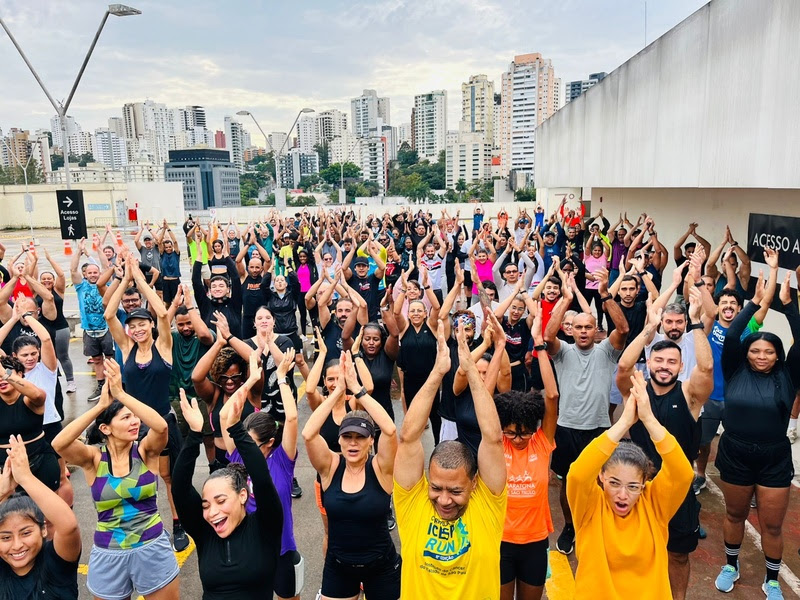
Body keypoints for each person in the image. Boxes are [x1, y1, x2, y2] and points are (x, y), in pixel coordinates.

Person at [393, 323, 507, 599]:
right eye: (436, 488)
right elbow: (408, 438)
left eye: (455, 491)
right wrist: (437, 372)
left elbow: (493, 438)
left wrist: (471, 371)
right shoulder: (413, 503)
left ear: (474, 483)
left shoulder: (488, 504)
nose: (444, 500)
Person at [52, 358, 180, 599]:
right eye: (125, 418)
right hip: (108, 552)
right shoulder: (93, 459)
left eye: (134, 416)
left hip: (152, 547)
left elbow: (161, 427)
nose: (135, 422)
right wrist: (100, 406)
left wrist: (121, 394)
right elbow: (59, 444)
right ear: (105, 428)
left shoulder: (145, 451)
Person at [616, 288, 714, 600]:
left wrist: (695, 322)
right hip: (640, 486)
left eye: (672, 361)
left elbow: (706, 368)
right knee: (637, 551)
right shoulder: (636, 391)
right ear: (649, 362)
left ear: (680, 366)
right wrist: (650, 327)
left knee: (678, 555)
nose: (664, 366)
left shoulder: (689, 395)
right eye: (658, 360)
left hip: (678, 489)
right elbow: (623, 367)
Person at [568, 370, 694, 599]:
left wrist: (649, 419)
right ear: (601, 476)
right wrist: (624, 421)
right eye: (614, 483)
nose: (622, 494)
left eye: (633, 486)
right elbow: (577, 474)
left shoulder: (655, 505)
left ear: (645, 483)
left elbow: (683, 473)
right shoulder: (589, 506)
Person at [713, 270, 799, 599]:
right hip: (735, 452)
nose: (761, 356)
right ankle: (731, 566)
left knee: (772, 525)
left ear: (778, 355)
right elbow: (733, 334)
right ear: (746, 353)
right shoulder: (734, 368)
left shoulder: (788, 375)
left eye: (768, 352)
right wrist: (754, 303)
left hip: (774, 457)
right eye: (755, 351)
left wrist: (788, 307)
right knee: (735, 514)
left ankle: (772, 580)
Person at [173, 365, 284, 600]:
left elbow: (262, 480)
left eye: (220, 501)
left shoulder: (265, 525)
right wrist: (194, 435)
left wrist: (237, 430)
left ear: (243, 495)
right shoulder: (205, 533)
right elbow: (180, 488)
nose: (212, 512)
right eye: (205, 505)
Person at [103, 259, 189, 552]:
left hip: (161, 422)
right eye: (133, 326)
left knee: (167, 477)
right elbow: (109, 313)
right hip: (132, 424)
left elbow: (163, 313)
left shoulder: (162, 346)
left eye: (142, 324)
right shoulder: (127, 348)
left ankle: (178, 524)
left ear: (151, 325)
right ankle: (146, 523)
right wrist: (124, 277)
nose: (137, 329)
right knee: (137, 477)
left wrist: (140, 280)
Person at [544, 268, 629, 556]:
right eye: (578, 327)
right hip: (567, 428)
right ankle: (570, 526)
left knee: (601, 481)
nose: (582, 331)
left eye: (588, 327)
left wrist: (605, 294)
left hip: (598, 428)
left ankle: (594, 524)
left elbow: (623, 329)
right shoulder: (563, 352)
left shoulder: (606, 351)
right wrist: (565, 299)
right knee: (568, 482)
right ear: (570, 329)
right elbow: (548, 334)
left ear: (596, 330)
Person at [302, 351, 401, 600]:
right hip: (339, 567)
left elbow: (390, 430)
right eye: (347, 437)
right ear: (339, 440)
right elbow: (308, 434)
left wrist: (357, 390)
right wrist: (337, 391)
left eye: (360, 437)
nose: (353, 443)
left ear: (371, 441)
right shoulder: (330, 467)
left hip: (381, 567)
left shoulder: (381, 469)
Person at [218, 349, 303, 600]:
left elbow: (292, 418)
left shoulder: (282, 461)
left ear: (270, 443)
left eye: (252, 444)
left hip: (281, 549)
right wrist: (251, 380)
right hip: (247, 549)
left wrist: (282, 377)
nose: (245, 447)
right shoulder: (237, 455)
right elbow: (224, 415)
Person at [497, 301, 558, 600]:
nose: (518, 439)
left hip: (535, 542)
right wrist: (498, 347)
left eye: (524, 432)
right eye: (511, 432)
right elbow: (486, 396)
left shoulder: (541, 442)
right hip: (501, 541)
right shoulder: (497, 444)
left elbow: (552, 395)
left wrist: (539, 345)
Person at [0, 435, 81, 599]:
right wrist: (2, 493)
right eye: (6, 537)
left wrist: (26, 477)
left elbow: (68, 526)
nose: (17, 545)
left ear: (43, 529)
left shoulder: (56, 562)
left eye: (26, 533)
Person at [191, 326, 262, 468]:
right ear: (217, 376)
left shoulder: (251, 392)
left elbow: (256, 360)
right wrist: (218, 344)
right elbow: (196, 377)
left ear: (242, 374)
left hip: (250, 458)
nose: (229, 381)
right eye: (224, 377)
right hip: (222, 460)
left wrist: (229, 336)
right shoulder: (215, 394)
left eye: (235, 376)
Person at [395, 266, 442, 440]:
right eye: (412, 311)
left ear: (424, 314)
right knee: (413, 418)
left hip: (430, 380)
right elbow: (396, 312)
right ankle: (411, 447)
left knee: (435, 417)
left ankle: (438, 447)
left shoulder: (431, 326)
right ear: (408, 314)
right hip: (411, 381)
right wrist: (403, 290)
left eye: (419, 311)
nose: (415, 313)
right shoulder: (404, 328)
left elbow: (436, 307)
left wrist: (427, 286)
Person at [0, 353, 58, 493]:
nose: (1, 379)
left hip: (40, 460)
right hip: (4, 465)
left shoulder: (29, 399)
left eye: (7, 372)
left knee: (46, 505)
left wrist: (5, 374)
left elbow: (38, 395)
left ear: (20, 374)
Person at [71, 238, 113, 401]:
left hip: (106, 328)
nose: (93, 275)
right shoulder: (80, 286)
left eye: (96, 272)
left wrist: (99, 248)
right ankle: (101, 386)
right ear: (85, 274)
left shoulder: (105, 283)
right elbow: (73, 269)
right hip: (89, 330)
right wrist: (79, 251)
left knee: (110, 359)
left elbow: (106, 267)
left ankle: (113, 385)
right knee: (97, 360)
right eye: (90, 273)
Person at [37, 247, 75, 393]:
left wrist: (49, 259)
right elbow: (30, 275)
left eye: (49, 278)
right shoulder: (36, 292)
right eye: (44, 279)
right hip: (43, 328)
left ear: (53, 281)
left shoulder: (58, 290)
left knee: (63, 356)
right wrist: (33, 260)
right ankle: (50, 381)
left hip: (60, 328)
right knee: (45, 356)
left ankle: (71, 382)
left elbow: (61, 274)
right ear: (40, 281)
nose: (46, 280)